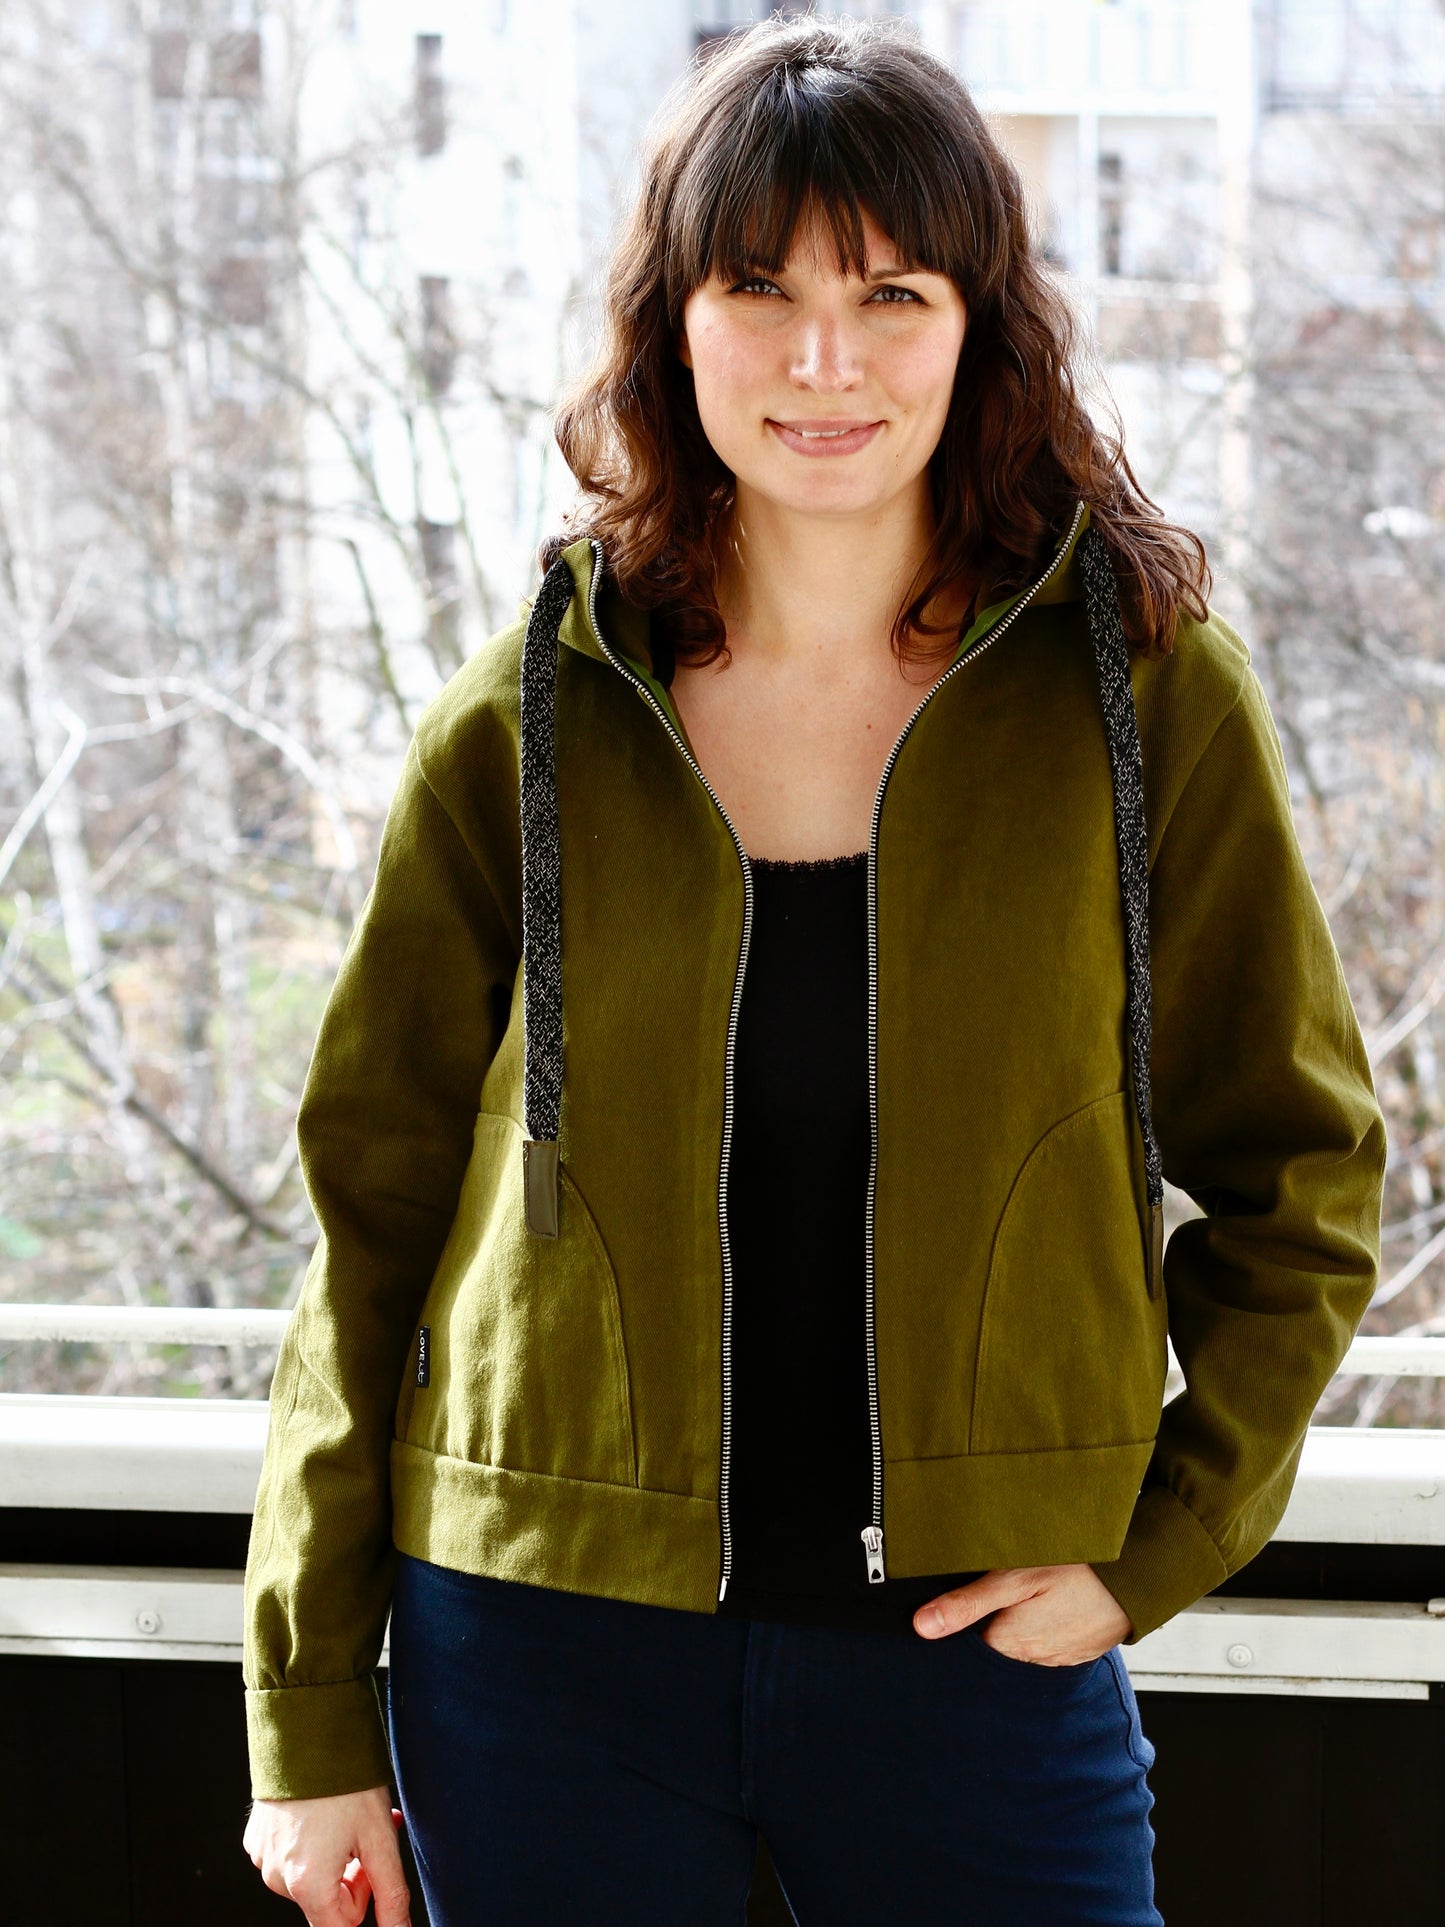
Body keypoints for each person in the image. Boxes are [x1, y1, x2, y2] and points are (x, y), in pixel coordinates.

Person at [241, 17, 1386, 1926]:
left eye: (890, 295)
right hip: (534, 1655)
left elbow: (1304, 1176)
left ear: (979, 328)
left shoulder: (1140, 703)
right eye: (758, 290)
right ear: (673, 326)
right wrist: (306, 1716)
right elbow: (368, 1227)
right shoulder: (532, 712)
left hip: (976, 1661)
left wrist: (1159, 1542)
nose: (822, 362)